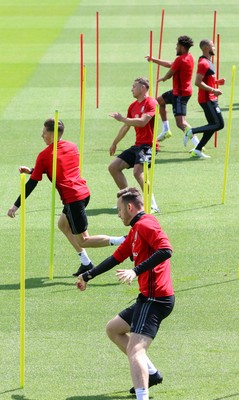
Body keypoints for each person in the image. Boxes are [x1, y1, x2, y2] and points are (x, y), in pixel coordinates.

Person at [76, 187, 175, 400]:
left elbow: (166, 250)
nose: (118, 214)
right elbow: (115, 258)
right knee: (113, 329)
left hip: (156, 299)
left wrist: (135, 270)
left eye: (120, 209)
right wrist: (88, 276)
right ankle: (151, 373)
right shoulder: (135, 231)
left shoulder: (147, 224)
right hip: (146, 297)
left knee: (135, 348)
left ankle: (142, 396)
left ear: (130, 207)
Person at [7, 118, 125, 276]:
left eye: (43, 133)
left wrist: (16, 205)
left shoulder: (45, 155)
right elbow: (56, 166)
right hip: (83, 193)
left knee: (84, 240)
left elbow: (32, 184)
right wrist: (32, 170)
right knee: (63, 225)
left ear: (51, 134)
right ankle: (86, 262)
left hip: (73, 199)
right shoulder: (71, 146)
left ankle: (124, 240)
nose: (41, 136)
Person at [108, 77, 160, 213]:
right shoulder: (132, 106)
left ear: (143, 88)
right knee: (113, 167)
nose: (132, 89)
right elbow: (126, 126)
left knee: (138, 172)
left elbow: (142, 122)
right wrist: (114, 143)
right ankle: (127, 200)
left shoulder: (151, 103)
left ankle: (152, 204)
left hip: (148, 146)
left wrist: (123, 119)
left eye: (134, 86)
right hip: (137, 146)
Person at [146, 35, 199, 148]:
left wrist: (163, 78)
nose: (176, 48)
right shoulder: (189, 57)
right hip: (178, 91)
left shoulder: (181, 59)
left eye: (177, 46)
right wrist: (154, 60)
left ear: (182, 48)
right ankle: (166, 130)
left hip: (180, 94)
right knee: (159, 101)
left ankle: (198, 145)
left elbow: (170, 73)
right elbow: (171, 64)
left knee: (181, 123)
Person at [183, 39, 225, 158]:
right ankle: (191, 131)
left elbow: (208, 80)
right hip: (207, 99)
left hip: (211, 98)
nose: (215, 48)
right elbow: (197, 82)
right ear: (206, 48)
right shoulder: (203, 63)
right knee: (219, 124)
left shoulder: (209, 61)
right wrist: (213, 90)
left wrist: (217, 82)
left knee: (212, 125)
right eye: (213, 46)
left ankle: (197, 149)